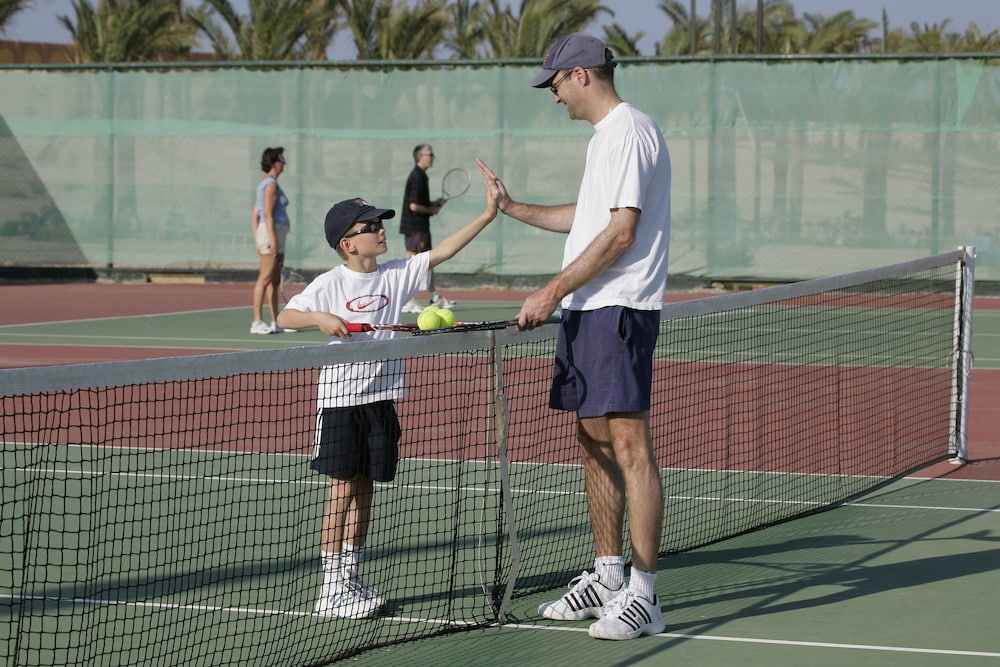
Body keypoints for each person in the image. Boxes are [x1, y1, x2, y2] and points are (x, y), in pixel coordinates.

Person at [477, 33, 671, 641]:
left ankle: (644, 594)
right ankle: (608, 577)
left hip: (619, 308)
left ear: (581, 75)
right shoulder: (604, 141)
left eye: (556, 83)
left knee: (629, 447)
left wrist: (551, 290)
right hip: (588, 310)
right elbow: (587, 219)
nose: (554, 95)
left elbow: (621, 233)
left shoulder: (630, 132)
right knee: (592, 442)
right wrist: (513, 208)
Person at [275, 174, 497, 619]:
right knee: (341, 490)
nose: (380, 230)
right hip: (340, 402)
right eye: (370, 226)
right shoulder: (329, 284)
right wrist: (318, 318)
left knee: (365, 490)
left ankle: (350, 577)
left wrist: (489, 213)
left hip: (381, 400)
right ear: (347, 243)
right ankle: (330, 588)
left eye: (380, 223)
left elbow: (445, 250)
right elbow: (285, 317)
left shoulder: (396, 273)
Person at [399, 143, 456, 313]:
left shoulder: (421, 176)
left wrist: (433, 204)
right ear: (420, 157)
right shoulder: (417, 176)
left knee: (427, 262)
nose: (433, 158)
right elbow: (414, 206)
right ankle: (406, 300)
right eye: (430, 155)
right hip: (415, 227)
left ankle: (433, 297)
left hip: (420, 226)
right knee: (414, 263)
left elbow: (418, 203)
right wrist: (431, 210)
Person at [251, 146, 291, 334]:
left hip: (273, 233)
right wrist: (271, 240)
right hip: (271, 234)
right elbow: (265, 214)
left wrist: (257, 238)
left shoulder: (268, 183)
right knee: (265, 277)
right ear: (274, 163)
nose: (284, 164)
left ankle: (277, 321)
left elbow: (255, 214)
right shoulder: (270, 184)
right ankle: (257, 322)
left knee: (275, 280)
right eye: (282, 160)